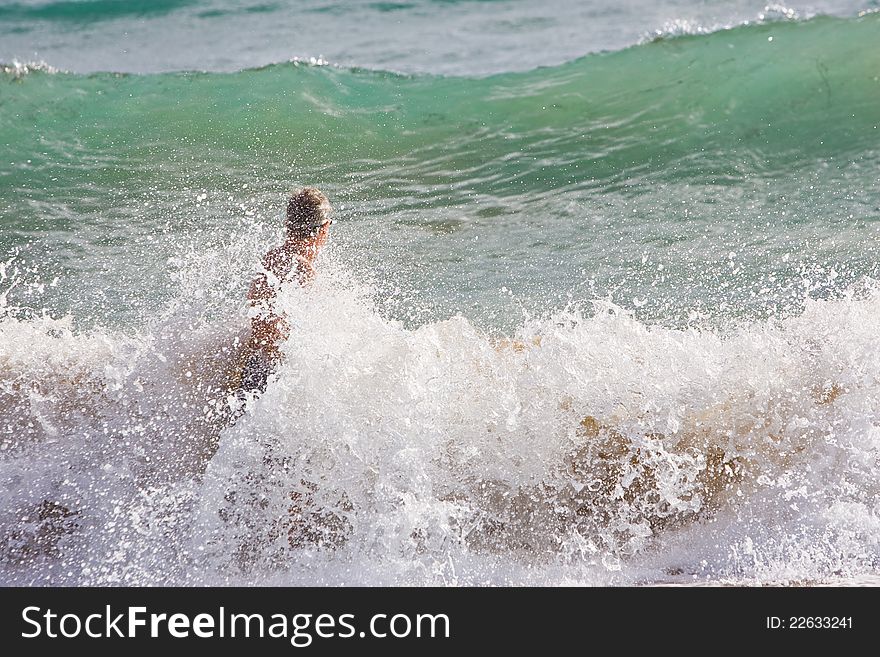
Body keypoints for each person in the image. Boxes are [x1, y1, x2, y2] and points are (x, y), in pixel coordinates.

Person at [238, 187, 333, 394]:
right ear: (324, 228)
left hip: (254, 365)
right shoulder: (302, 269)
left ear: (287, 225)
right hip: (276, 373)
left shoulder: (271, 258)